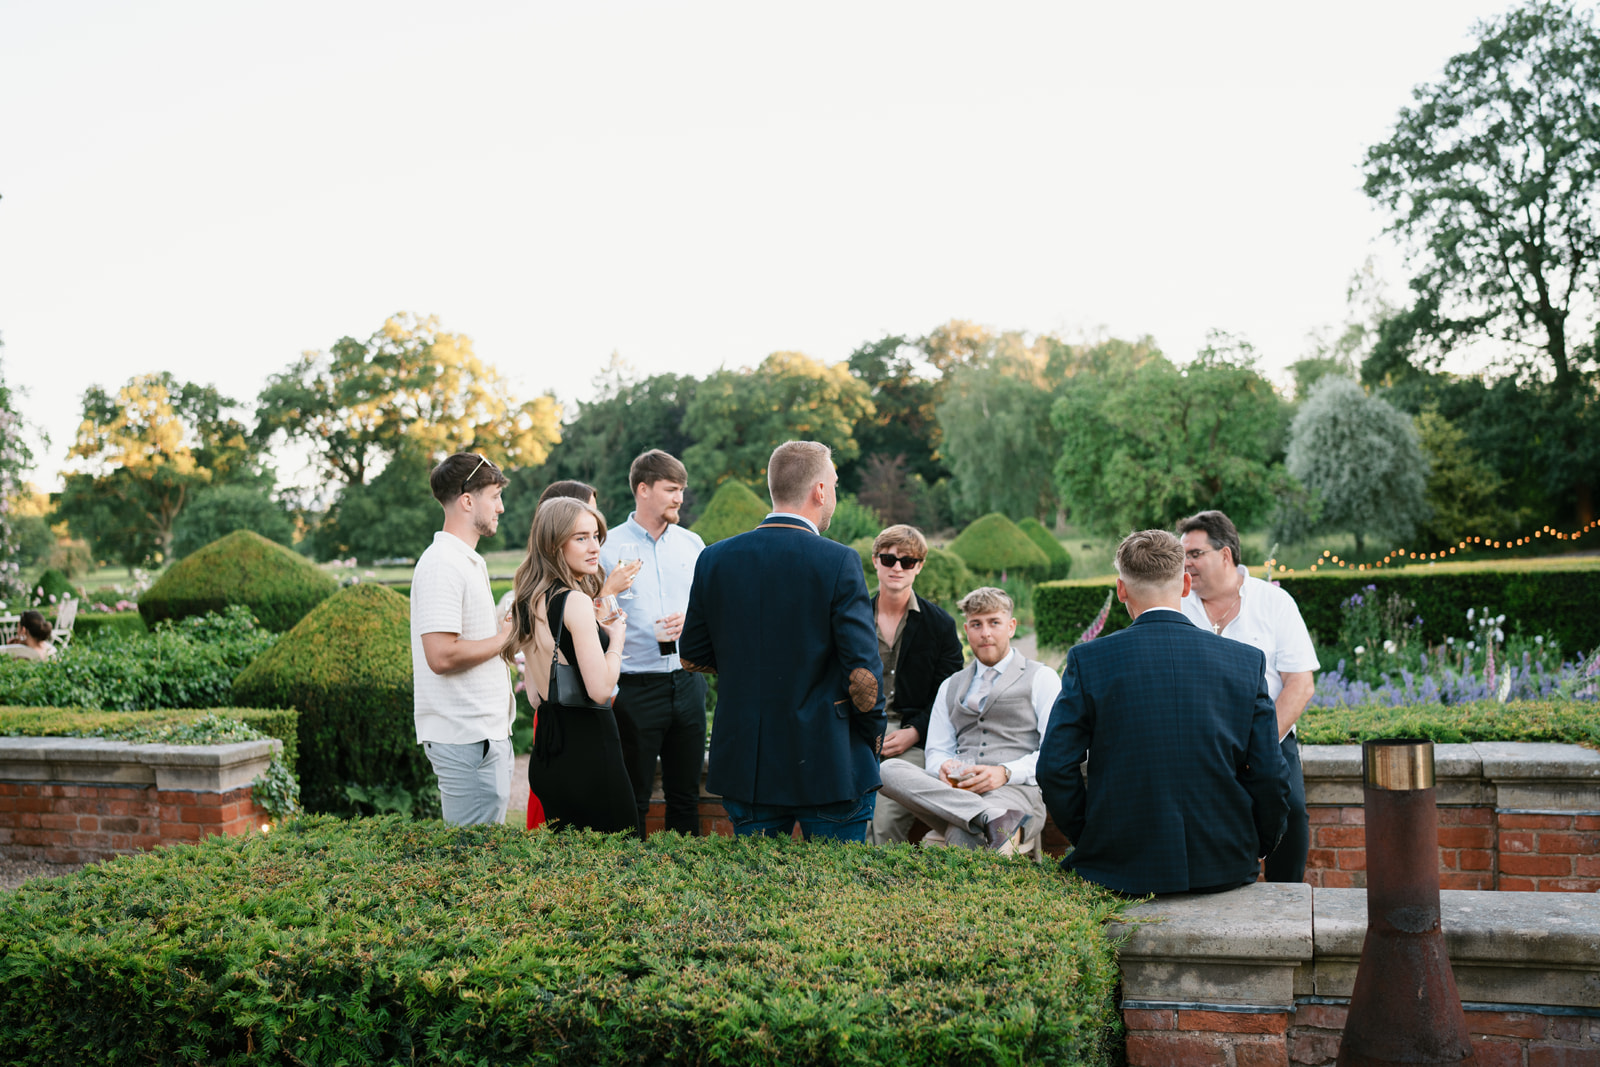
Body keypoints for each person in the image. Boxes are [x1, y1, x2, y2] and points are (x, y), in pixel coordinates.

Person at [1038, 530, 1290, 896]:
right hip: (1225, 863)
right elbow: (1270, 773)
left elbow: (1054, 767)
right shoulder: (1244, 662)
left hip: (1120, 866)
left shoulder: (1089, 660)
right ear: (1186, 584)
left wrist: (1092, 836)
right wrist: (1256, 845)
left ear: (1121, 589)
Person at [678, 440, 885, 841]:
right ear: (819, 490)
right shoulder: (838, 561)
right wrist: (872, 736)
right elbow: (864, 677)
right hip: (829, 761)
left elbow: (692, 654)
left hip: (749, 761)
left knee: (760, 897)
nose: (835, 495)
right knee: (837, 897)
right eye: (835, 484)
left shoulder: (715, 558)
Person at [1177, 510, 1320, 883]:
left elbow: (1300, 684)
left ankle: (1286, 899)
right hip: (1198, 741)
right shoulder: (1176, 606)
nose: (1185, 564)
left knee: (1291, 810)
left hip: (1269, 736)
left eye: (1194, 554)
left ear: (1225, 555)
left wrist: (1258, 746)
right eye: (1182, 556)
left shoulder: (1275, 603)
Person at [877, 587, 1057, 853]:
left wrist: (1005, 773)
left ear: (1011, 626)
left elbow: (1054, 752)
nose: (985, 633)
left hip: (1015, 792)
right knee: (887, 771)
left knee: (965, 835)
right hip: (956, 794)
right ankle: (987, 817)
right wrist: (944, 767)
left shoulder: (1042, 677)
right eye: (976, 624)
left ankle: (988, 818)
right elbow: (936, 750)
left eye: (994, 622)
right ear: (966, 630)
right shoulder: (951, 685)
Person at [502, 496, 637, 834]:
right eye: (581, 538)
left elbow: (535, 697)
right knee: (616, 863)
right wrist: (617, 638)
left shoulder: (526, 599)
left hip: (550, 749)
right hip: (589, 750)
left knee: (567, 871)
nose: (594, 547)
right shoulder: (574, 601)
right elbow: (601, 689)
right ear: (552, 544)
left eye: (595, 536)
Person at [598, 450, 709, 837]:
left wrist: (692, 619)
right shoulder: (607, 546)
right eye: (671, 489)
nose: (680, 498)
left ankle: (687, 886)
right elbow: (589, 614)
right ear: (643, 489)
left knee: (686, 797)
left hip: (687, 681)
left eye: (682, 489)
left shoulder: (693, 544)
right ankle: (632, 885)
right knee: (634, 797)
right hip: (633, 687)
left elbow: (710, 608)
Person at [411, 452, 517, 826]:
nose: (501, 507)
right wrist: (503, 638)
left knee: (486, 860)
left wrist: (505, 634)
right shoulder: (442, 563)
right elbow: (440, 656)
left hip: (482, 735)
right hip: (465, 738)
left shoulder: (467, 560)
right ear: (467, 500)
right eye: (494, 496)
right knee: (471, 863)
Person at [866, 525, 965, 846]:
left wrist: (916, 731)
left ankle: (878, 893)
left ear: (919, 566)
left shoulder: (940, 625)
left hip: (911, 741)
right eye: (889, 559)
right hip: (855, 734)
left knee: (883, 824)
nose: (897, 568)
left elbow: (947, 694)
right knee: (848, 818)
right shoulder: (850, 617)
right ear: (875, 561)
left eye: (907, 562)